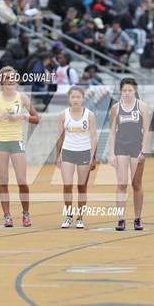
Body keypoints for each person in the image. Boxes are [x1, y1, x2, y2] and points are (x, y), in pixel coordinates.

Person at [0, 66, 40, 227]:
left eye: (12, 77)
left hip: (16, 141)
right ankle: (7, 216)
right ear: (2, 80)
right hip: (1, 142)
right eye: (7, 78)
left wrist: (22, 116)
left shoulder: (22, 97)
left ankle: (26, 213)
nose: (10, 80)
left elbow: (36, 118)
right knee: (3, 181)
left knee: (22, 181)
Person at [108, 77, 149, 231]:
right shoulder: (116, 108)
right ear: (121, 91)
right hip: (121, 148)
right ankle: (121, 218)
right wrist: (111, 154)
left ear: (135, 91)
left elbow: (146, 131)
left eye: (130, 90)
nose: (127, 93)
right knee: (121, 183)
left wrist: (143, 151)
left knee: (136, 184)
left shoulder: (142, 107)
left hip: (136, 148)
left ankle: (138, 218)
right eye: (124, 90)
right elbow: (112, 133)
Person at [56, 86, 97, 229]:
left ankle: (80, 217)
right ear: (69, 99)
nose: (75, 100)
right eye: (73, 97)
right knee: (67, 185)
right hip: (67, 152)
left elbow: (93, 136)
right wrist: (58, 155)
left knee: (81, 186)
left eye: (78, 97)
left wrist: (93, 156)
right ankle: (68, 215)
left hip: (84, 152)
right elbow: (60, 137)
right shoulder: (63, 115)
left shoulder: (89, 115)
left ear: (83, 98)